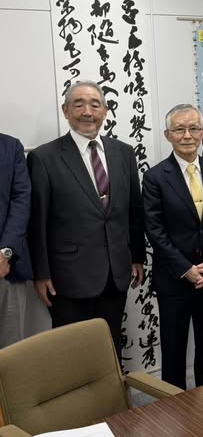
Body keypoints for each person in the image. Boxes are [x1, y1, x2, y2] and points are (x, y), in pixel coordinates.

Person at [27, 81, 145, 360]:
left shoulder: (124, 152)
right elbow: (37, 221)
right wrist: (41, 273)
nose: (87, 112)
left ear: (105, 110)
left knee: (110, 348)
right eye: (78, 104)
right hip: (67, 277)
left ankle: (114, 391)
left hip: (115, 273)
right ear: (65, 110)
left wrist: (137, 256)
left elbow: (134, 210)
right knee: (72, 355)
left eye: (95, 104)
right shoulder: (44, 157)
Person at [143, 104, 203, 389]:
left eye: (194, 128)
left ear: (202, 132)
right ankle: (173, 405)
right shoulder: (155, 177)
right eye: (179, 129)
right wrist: (186, 269)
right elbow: (155, 230)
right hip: (175, 278)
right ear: (167, 135)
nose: (187, 135)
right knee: (173, 349)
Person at [0, 133, 33, 348]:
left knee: (10, 352)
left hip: (5, 269)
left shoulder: (11, 147)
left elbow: (21, 199)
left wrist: (5, 252)